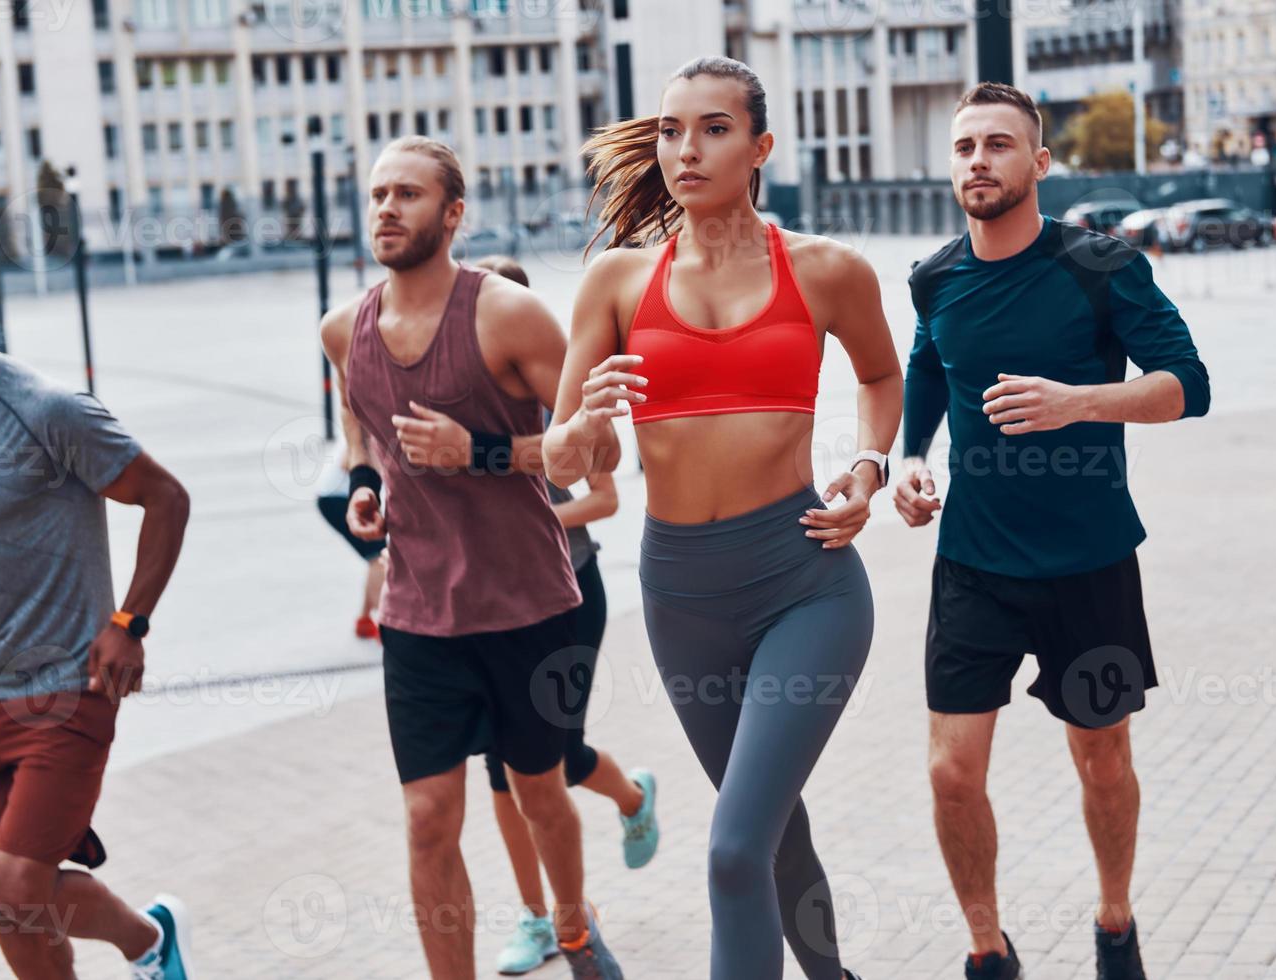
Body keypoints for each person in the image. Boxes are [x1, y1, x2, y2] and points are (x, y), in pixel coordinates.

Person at [543, 57, 903, 980]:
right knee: (773, 833)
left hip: (804, 583)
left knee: (734, 849)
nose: (685, 149)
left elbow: (880, 373)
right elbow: (558, 459)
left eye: (712, 129)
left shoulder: (825, 270)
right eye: (669, 130)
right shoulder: (617, 283)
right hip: (681, 595)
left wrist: (865, 469)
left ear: (760, 148)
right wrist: (584, 421)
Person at [895, 83, 1211, 980]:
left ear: (1038, 163)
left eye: (999, 145)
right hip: (973, 567)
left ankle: (1115, 922)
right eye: (963, 147)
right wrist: (913, 456)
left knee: (1102, 762)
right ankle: (987, 951)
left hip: (1090, 563)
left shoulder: (1100, 265)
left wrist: (1080, 401)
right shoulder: (934, 277)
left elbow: (1189, 383)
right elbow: (926, 364)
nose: (978, 161)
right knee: (951, 773)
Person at [319, 137, 625, 979]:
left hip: (528, 605)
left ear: (453, 215)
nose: (386, 207)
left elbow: (596, 455)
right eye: (378, 193)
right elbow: (361, 421)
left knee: (537, 793)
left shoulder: (507, 316)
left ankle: (571, 926)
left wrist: (481, 453)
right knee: (427, 820)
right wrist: (362, 480)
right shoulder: (344, 329)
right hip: (419, 615)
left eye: (408, 195)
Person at [0, 249, 194, 980]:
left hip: (67, 689)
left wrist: (129, 622)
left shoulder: (46, 410)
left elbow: (166, 497)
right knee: (6, 900)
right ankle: (146, 941)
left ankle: (148, 942)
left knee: (15, 885)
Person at [472, 254, 659, 976]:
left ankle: (634, 796)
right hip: (487, 611)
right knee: (499, 771)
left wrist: (532, 520)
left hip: (569, 594)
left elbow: (607, 498)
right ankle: (537, 918)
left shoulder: (559, 399)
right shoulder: (464, 405)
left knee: (555, 761)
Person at [315, 407, 389, 638]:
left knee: (375, 556)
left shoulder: (369, 418)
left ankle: (365, 619)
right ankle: (385, 624)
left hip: (335, 496)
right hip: (338, 499)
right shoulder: (365, 426)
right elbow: (349, 462)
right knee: (379, 558)